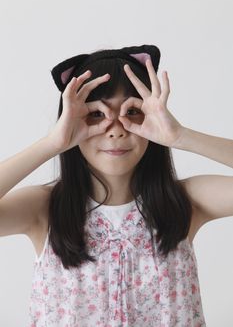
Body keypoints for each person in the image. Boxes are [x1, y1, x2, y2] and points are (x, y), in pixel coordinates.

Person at [0, 44, 232, 326]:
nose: (116, 128)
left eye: (132, 111)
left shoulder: (186, 201)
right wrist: (52, 144)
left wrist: (181, 136)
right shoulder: (44, 209)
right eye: (96, 114)